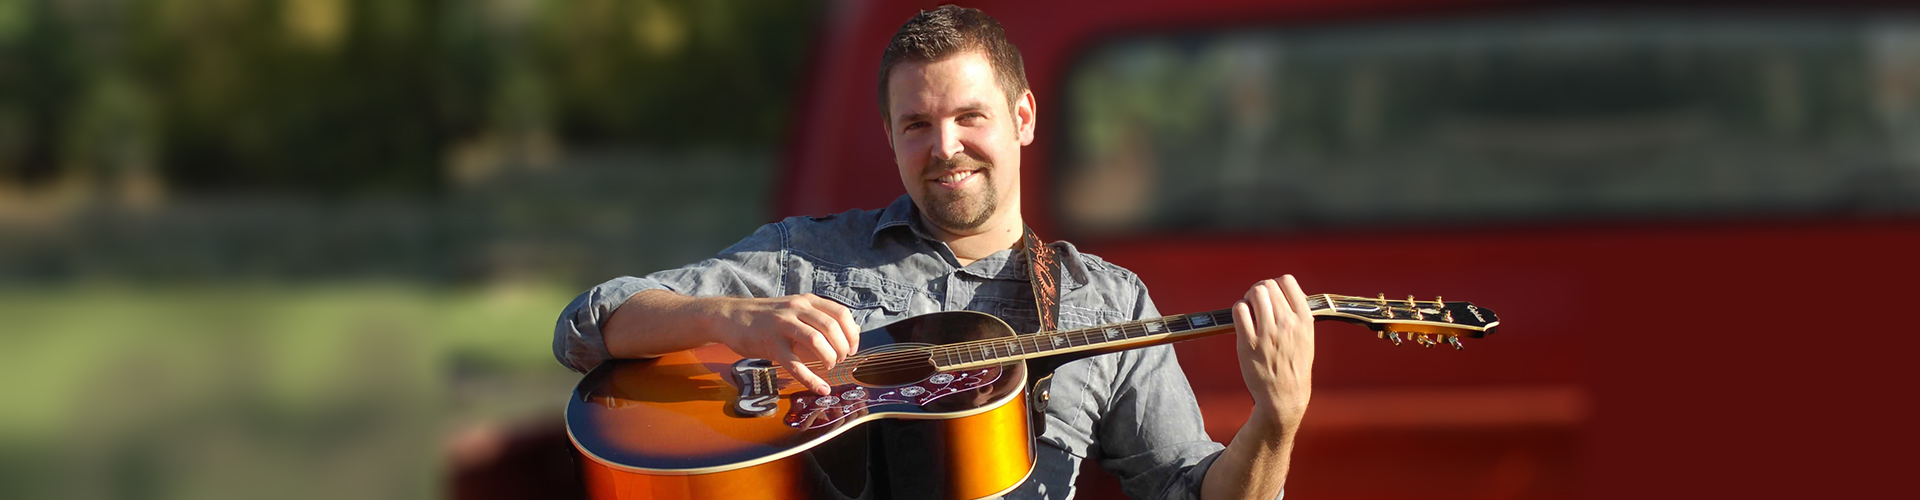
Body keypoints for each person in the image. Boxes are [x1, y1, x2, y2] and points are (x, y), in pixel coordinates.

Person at [553, 5, 1311, 500]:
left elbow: (1191, 490)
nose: (944, 147)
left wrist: (1275, 422)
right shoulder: (807, 257)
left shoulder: (1104, 302)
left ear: (1022, 118)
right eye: (916, 124)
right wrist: (733, 319)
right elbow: (586, 327)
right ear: (888, 138)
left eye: (969, 116)